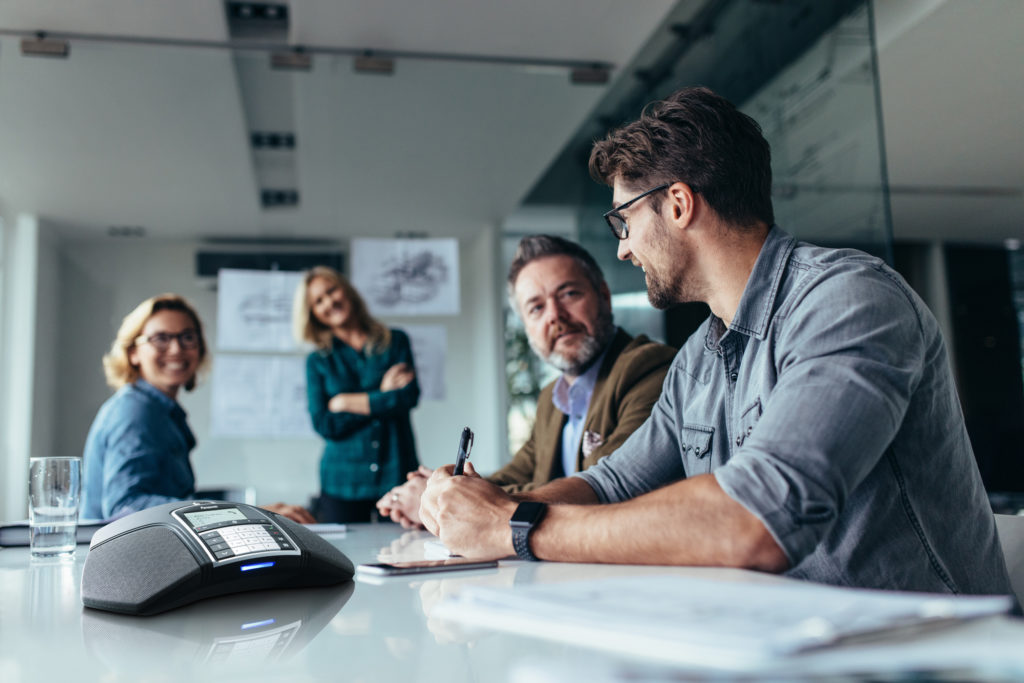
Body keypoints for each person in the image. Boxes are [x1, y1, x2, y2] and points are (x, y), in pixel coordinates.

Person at [420, 86, 1014, 597]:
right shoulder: (700, 358)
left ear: (678, 204)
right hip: (786, 643)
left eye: (624, 222)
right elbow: (612, 483)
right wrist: (481, 508)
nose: (623, 248)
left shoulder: (849, 300)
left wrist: (513, 525)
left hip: (928, 655)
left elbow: (758, 518)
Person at [376, 236, 675, 529]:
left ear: (604, 296)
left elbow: (606, 485)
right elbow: (510, 477)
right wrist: (439, 491)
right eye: (536, 308)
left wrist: (451, 503)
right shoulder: (552, 399)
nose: (555, 316)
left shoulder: (647, 368)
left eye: (569, 294)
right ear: (527, 326)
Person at [81, 293, 313, 523]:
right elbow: (125, 506)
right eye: (161, 338)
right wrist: (244, 513)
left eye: (188, 337)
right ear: (133, 352)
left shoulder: (160, 411)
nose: (176, 349)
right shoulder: (135, 412)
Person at [295, 266, 420, 523]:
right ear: (313, 314)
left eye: (332, 291)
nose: (329, 301)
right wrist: (382, 394)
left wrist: (345, 402)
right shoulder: (318, 361)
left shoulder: (395, 341)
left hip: (396, 473)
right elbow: (325, 423)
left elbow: (407, 397)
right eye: (318, 301)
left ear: (346, 290)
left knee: (406, 553)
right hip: (342, 483)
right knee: (341, 560)